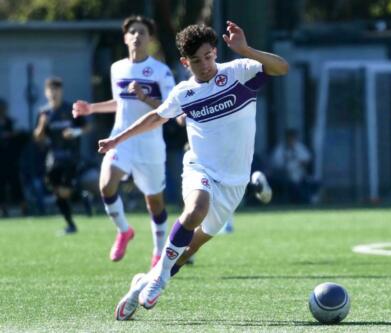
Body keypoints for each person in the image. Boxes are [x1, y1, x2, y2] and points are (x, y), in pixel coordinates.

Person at [99, 21, 288, 320]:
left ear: (215, 52)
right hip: (199, 168)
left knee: (185, 253)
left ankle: (142, 284)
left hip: (234, 184)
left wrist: (246, 49)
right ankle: (160, 280)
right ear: (185, 63)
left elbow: (282, 68)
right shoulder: (184, 93)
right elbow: (154, 119)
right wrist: (116, 139)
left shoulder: (239, 72)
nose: (204, 65)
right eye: (196, 61)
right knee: (196, 208)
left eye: (209, 56)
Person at [72, 16, 176, 266]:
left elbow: (170, 108)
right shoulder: (117, 68)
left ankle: (158, 253)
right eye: (133, 32)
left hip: (150, 144)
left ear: (150, 39)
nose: (137, 36)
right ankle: (124, 231)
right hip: (122, 139)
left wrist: (144, 97)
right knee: (107, 185)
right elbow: (120, 102)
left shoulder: (161, 71)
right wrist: (92, 109)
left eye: (142, 32)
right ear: (125, 38)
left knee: (155, 203)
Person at [33, 77, 90, 234]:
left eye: (56, 90)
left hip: (71, 157)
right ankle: (71, 223)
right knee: (57, 193)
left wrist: (76, 132)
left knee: (64, 191)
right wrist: (41, 125)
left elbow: (88, 126)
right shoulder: (43, 112)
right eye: (50, 90)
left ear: (61, 91)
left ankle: (81, 196)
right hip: (53, 159)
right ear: (45, 93)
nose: (53, 93)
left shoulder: (70, 110)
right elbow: (37, 138)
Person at [0, 99, 27, 217]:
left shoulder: (10, 122)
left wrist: (11, 135)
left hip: (11, 161)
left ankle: (24, 208)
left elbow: (19, 135)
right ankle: (3, 209)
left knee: (16, 185)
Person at [271, 128, 313, 203]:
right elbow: (277, 164)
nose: (291, 140)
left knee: (304, 184)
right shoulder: (281, 148)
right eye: (289, 137)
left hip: (299, 175)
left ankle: (304, 200)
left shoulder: (299, 147)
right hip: (284, 176)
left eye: (293, 138)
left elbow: (307, 159)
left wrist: (298, 163)